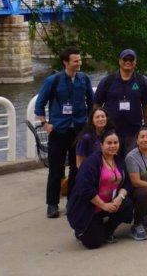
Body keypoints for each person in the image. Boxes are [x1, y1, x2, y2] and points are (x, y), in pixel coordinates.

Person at [35, 46, 93, 218]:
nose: (79, 63)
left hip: (79, 130)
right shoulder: (53, 80)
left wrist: (89, 122)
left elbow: (92, 101)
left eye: (80, 60)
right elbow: (40, 104)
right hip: (59, 130)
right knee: (56, 168)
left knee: (77, 167)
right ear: (66, 62)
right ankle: (52, 204)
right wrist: (45, 123)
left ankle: (72, 202)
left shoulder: (84, 79)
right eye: (76, 61)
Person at [66, 130, 133, 249]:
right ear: (101, 145)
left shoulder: (119, 160)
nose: (113, 146)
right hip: (90, 207)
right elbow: (85, 189)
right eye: (109, 143)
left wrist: (119, 198)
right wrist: (103, 205)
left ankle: (107, 230)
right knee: (94, 243)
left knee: (126, 205)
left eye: (115, 143)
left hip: (110, 203)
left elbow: (127, 183)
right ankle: (82, 230)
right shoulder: (91, 163)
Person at [93, 49, 147, 155]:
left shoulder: (142, 82)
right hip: (111, 132)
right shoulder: (107, 81)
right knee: (112, 164)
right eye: (125, 59)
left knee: (131, 165)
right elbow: (96, 105)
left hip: (134, 133)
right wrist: (97, 128)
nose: (128, 61)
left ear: (135, 62)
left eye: (131, 59)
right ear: (119, 61)